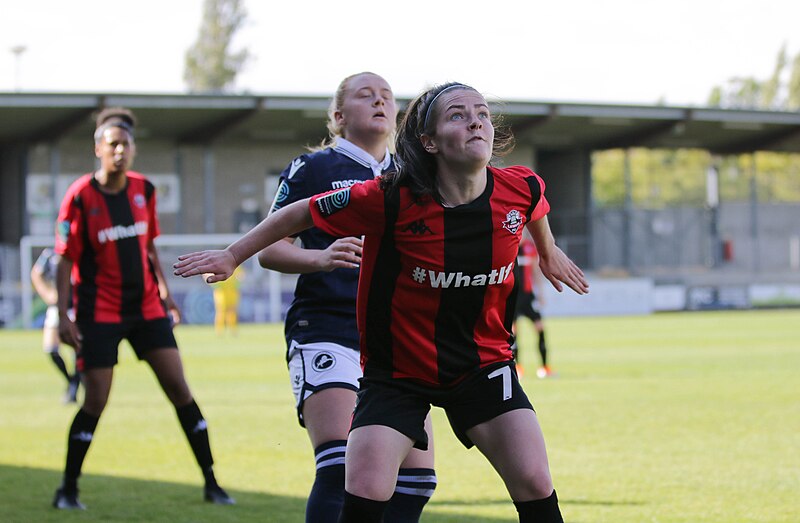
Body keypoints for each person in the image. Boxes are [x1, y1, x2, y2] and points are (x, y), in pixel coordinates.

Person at [174, 81, 589, 523]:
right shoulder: (390, 196)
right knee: (362, 482)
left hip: (482, 365)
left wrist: (548, 250)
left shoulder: (520, 187)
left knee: (534, 482)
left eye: (482, 113)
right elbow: (298, 213)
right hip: (396, 372)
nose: (475, 120)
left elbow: (535, 204)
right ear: (428, 142)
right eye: (457, 114)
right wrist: (234, 254)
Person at [257, 72, 436, 523]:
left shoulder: (412, 175)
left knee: (415, 481)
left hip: (397, 342)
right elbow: (269, 250)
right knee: (339, 466)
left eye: (387, 96)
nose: (379, 101)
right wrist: (320, 258)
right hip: (327, 327)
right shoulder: (314, 168)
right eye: (365, 95)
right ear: (339, 116)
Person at [51, 107, 234, 510]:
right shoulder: (80, 197)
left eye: (126, 144)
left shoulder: (144, 191)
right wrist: (63, 315)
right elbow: (65, 261)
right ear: (98, 148)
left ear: (133, 150)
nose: (120, 150)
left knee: (180, 389)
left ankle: (212, 483)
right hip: (98, 313)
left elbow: (148, 247)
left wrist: (166, 295)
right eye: (112, 144)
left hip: (147, 308)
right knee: (96, 400)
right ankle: (67, 489)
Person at [30, 247, 81, 403]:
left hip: (78, 307)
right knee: (50, 348)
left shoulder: (82, 251)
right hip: (57, 307)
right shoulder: (50, 254)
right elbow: (36, 273)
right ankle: (71, 380)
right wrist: (47, 293)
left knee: (78, 349)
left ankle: (75, 388)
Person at [512, 229, 554, 379]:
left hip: (528, 297)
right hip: (513, 298)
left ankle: (544, 367)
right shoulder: (510, 247)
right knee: (513, 334)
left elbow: (536, 271)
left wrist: (541, 294)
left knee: (540, 328)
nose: (523, 234)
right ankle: (518, 367)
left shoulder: (530, 248)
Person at [211, 265, 243, 336]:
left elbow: (241, 276)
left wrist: (239, 280)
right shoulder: (218, 266)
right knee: (221, 311)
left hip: (232, 292)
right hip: (221, 293)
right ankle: (219, 331)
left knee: (232, 311)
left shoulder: (235, 265)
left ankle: (233, 330)